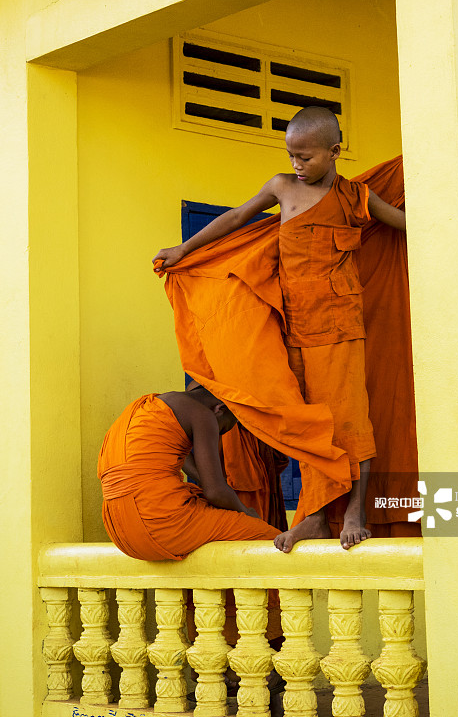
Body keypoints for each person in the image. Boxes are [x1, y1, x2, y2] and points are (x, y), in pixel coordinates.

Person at [152, 107, 407, 552]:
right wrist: (184, 248)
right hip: (293, 327)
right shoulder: (281, 187)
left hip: (341, 326)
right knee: (301, 420)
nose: (297, 165)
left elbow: (408, 226)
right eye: (291, 156)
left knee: (348, 419)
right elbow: (235, 219)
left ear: (334, 152)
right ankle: (312, 516)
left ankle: (354, 511)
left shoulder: (357, 198)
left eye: (305, 157)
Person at [98, 381, 282, 561]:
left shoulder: (151, 407)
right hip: (158, 524)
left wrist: (208, 478)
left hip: (120, 532)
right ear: (220, 408)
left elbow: (180, 458)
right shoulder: (203, 414)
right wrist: (246, 511)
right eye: (222, 429)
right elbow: (215, 492)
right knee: (269, 539)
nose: (217, 436)